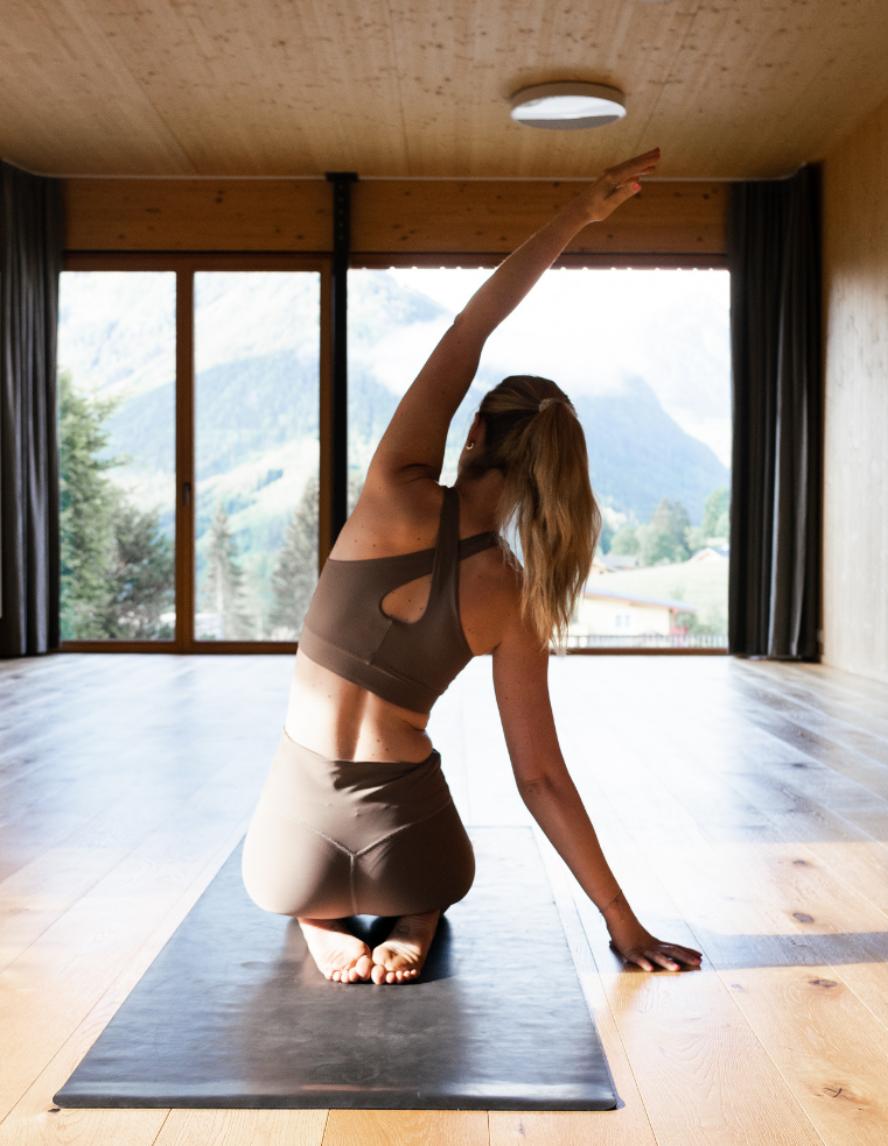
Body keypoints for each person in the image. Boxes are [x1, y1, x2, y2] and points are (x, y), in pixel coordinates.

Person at [239, 148, 703, 985]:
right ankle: (413, 917)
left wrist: (577, 214)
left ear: (478, 434)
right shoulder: (515, 597)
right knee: (436, 869)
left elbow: (469, 329)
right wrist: (623, 922)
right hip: (411, 852)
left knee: (291, 872)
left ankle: (320, 920)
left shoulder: (392, 490)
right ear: (545, 477)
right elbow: (540, 780)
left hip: (287, 851)